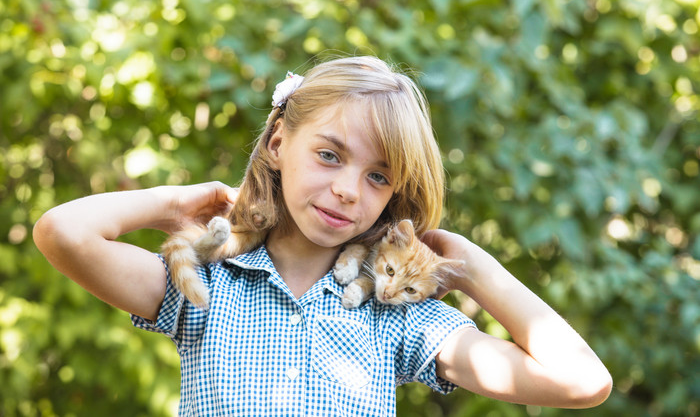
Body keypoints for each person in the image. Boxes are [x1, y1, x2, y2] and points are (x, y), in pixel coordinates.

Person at [33, 56, 612, 416]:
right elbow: (64, 232)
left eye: (377, 175)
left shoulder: (398, 318)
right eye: (330, 155)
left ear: (392, 195)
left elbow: (582, 381)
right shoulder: (208, 287)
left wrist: (472, 267)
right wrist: (178, 201)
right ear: (279, 142)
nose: (347, 190)